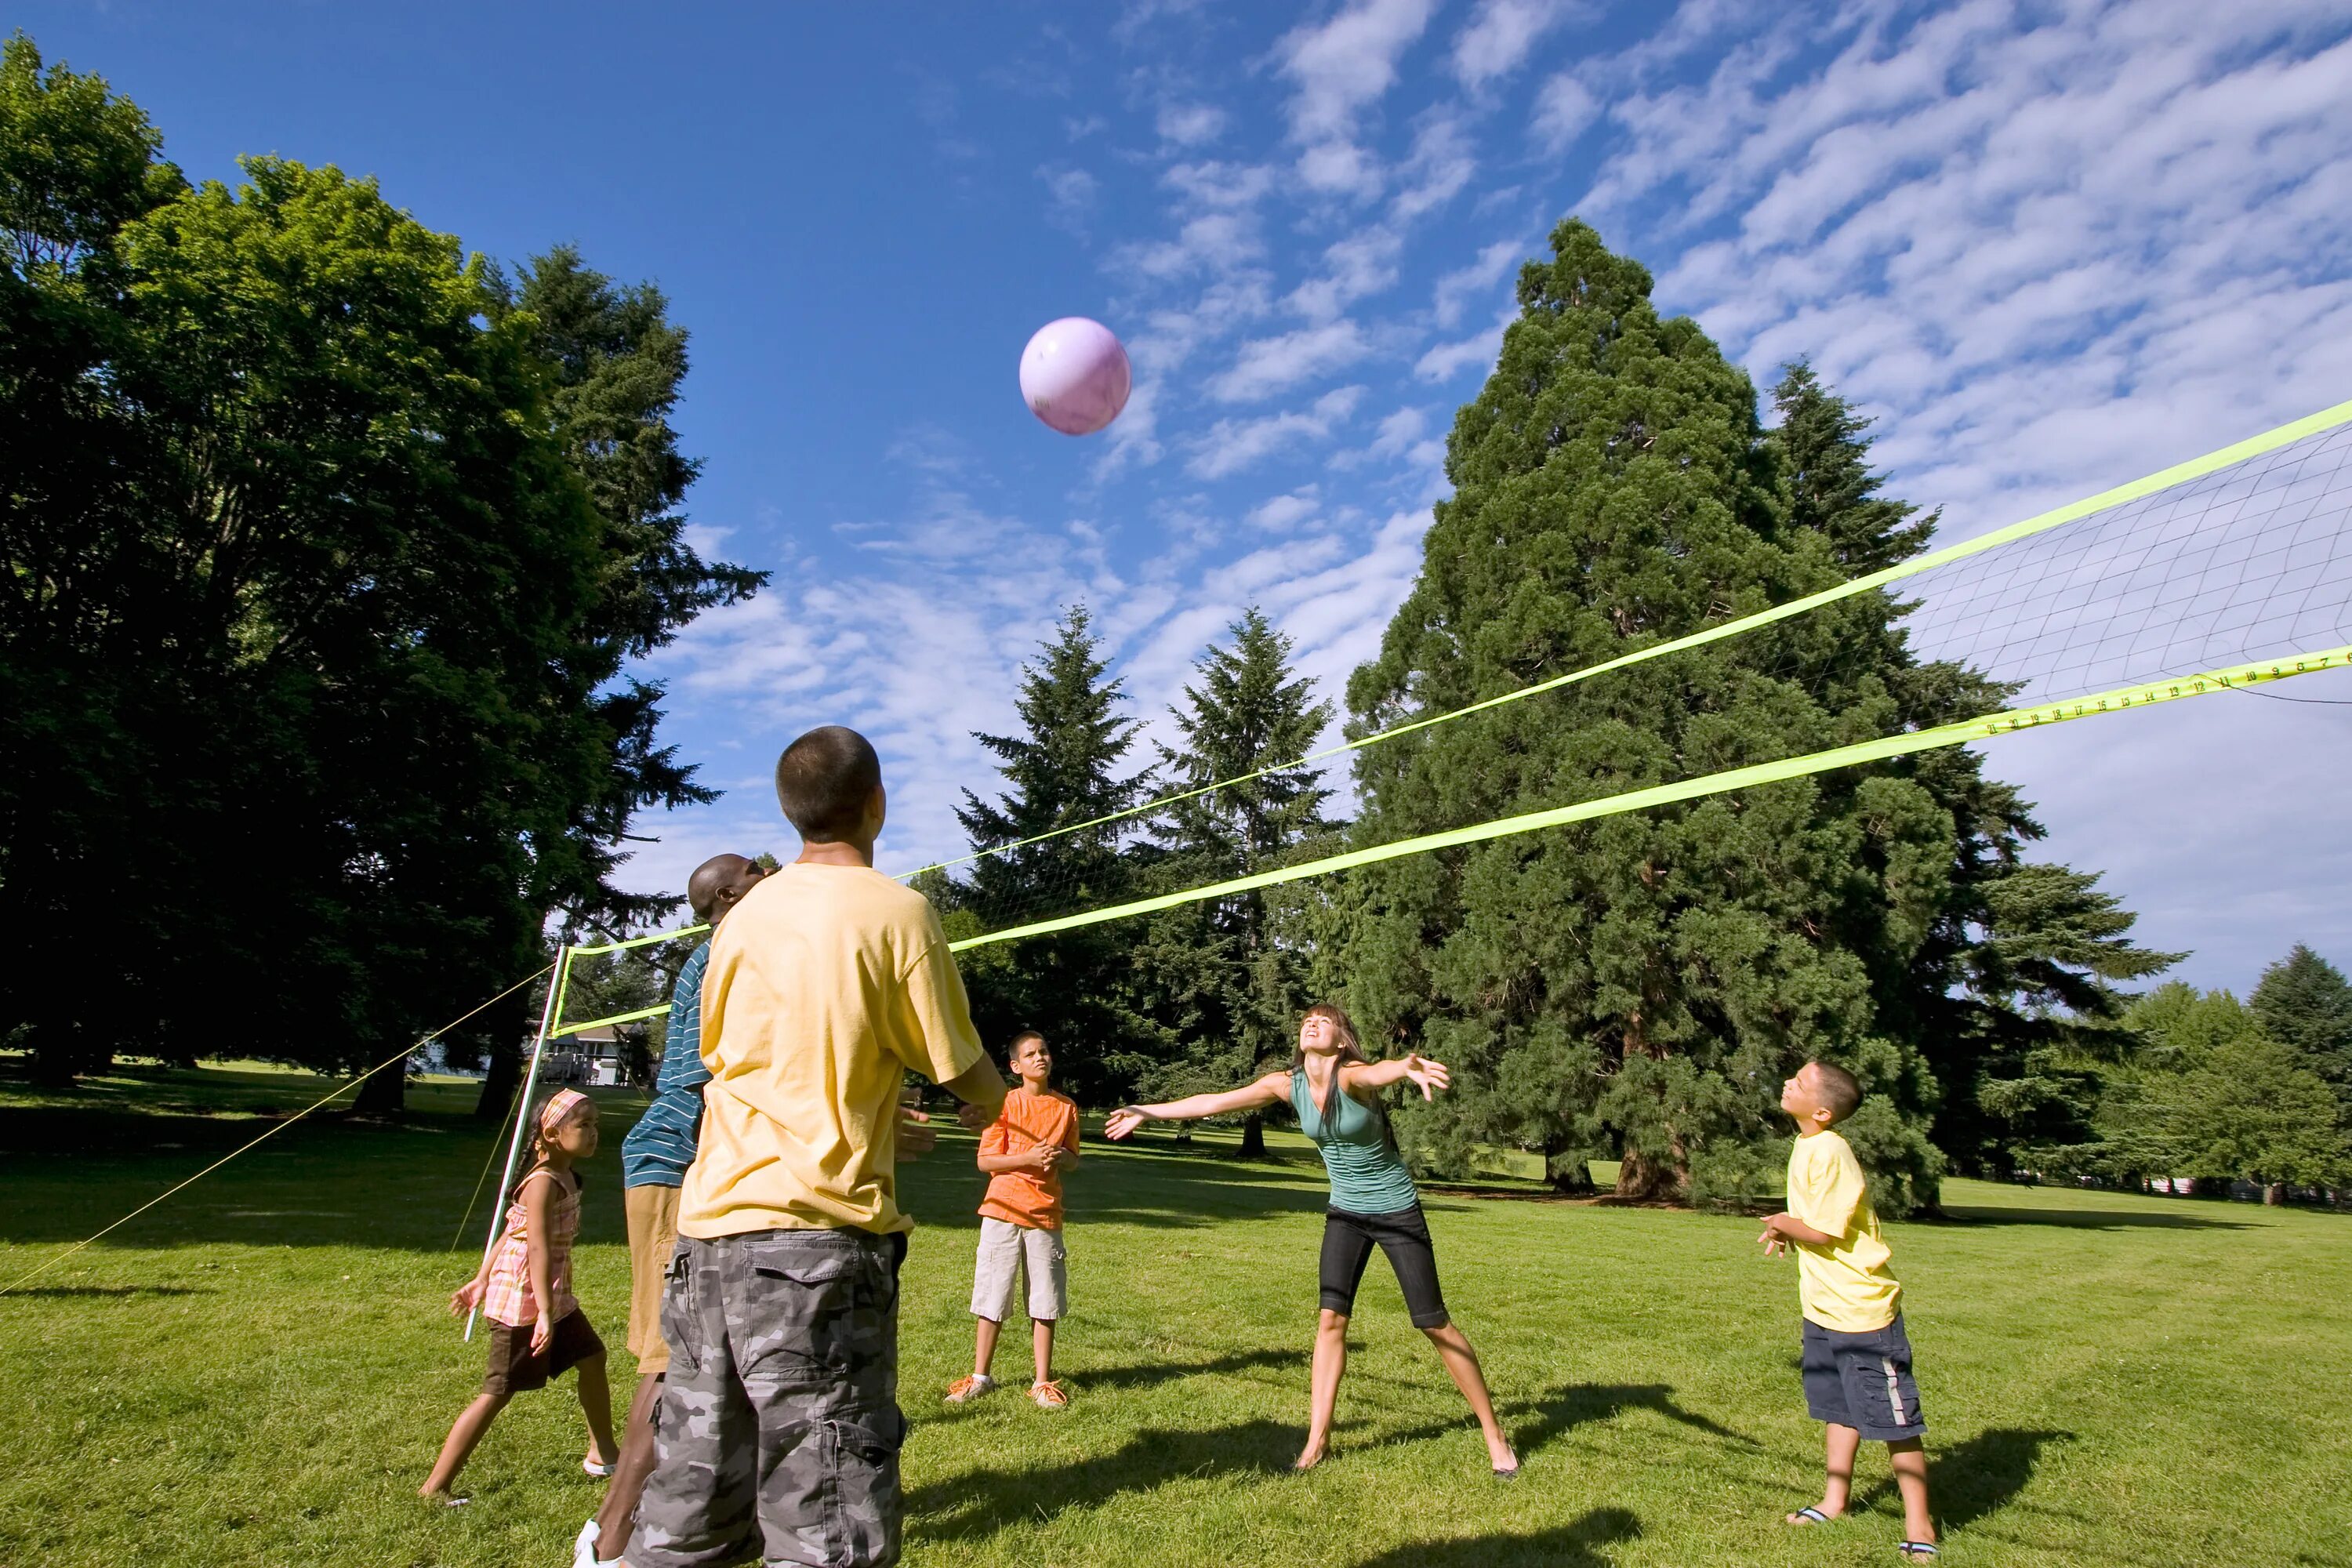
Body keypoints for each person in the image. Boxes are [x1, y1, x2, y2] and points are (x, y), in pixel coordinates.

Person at [630, 725, 1009, 1568]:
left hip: (707, 1241)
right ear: (877, 802)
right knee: (826, 1527)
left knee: (689, 1512)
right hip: (815, 1250)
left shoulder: (739, 922)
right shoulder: (898, 910)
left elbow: (744, 1063)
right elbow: (956, 1062)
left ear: (790, 812)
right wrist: (999, 1104)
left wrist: (862, 1109)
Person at [1105, 1004, 1518, 1476]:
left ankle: (1494, 1434)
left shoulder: (1351, 1076)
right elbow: (1213, 1102)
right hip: (1346, 1213)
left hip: (1395, 1210)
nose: (1312, 1023)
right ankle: (1317, 1441)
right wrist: (1147, 1111)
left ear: (1342, 1040)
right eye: (1307, 1020)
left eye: (1324, 1020)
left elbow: (1378, 1072)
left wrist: (1405, 1067)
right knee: (1330, 1320)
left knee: (1432, 1322)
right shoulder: (1287, 1084)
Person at [576, 853, 769, 1568]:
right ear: (728, 894)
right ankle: (609, 1540)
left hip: (698, 1156)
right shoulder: (723, 952)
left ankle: (718, 1514)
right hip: (677, 1159)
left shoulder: (731, 948)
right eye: (756, 868)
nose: (771, 873)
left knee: (698, 1353)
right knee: (668, 1361)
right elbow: (718, 1072)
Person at [1756, 1061, 1937, 1559]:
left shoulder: (1832, 1150)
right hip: (1823, 1309)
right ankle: (1835, 1501)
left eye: (1800, 1082)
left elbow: (1824, 1231)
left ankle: (1920, 1525)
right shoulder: (1807, 1143)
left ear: (1822, 1110)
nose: (1787, 1082)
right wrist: (1788, 1228)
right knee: (1839, 1411)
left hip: (1862, 1313)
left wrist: (1782, 1222)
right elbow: (1813, 1223)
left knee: (1895, 1421)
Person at [423, 1089, 619, 1502]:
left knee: (592, 1357)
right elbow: (536, 1248)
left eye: (595, 1124)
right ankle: (435, 1488)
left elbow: (513, 1229)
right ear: (552, 1134)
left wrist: (480, 1278)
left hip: (553, 1298)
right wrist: (544, 1312)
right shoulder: (543, 1182)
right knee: (498, 1391)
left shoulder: (566, 1175)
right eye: (583, 1125)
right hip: (524, 1303)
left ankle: (603, 1453)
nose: (593, 1133)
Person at [944, 1029, 1080, 1410]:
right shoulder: (1002, 1103)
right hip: (1002, 1211)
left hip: (1045, 1213)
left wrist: (1060, 1157)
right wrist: (1029, 1158)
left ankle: (1042, 1383)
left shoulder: (1066, 1107)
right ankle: (980, 1377)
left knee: (1045, 1300)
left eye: (1044, 1051)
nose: (1041, 1058)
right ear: (1016, 1066)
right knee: (993, 1294)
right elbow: (986, 1161)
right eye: (1031, 1054)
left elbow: (1073, 1159)